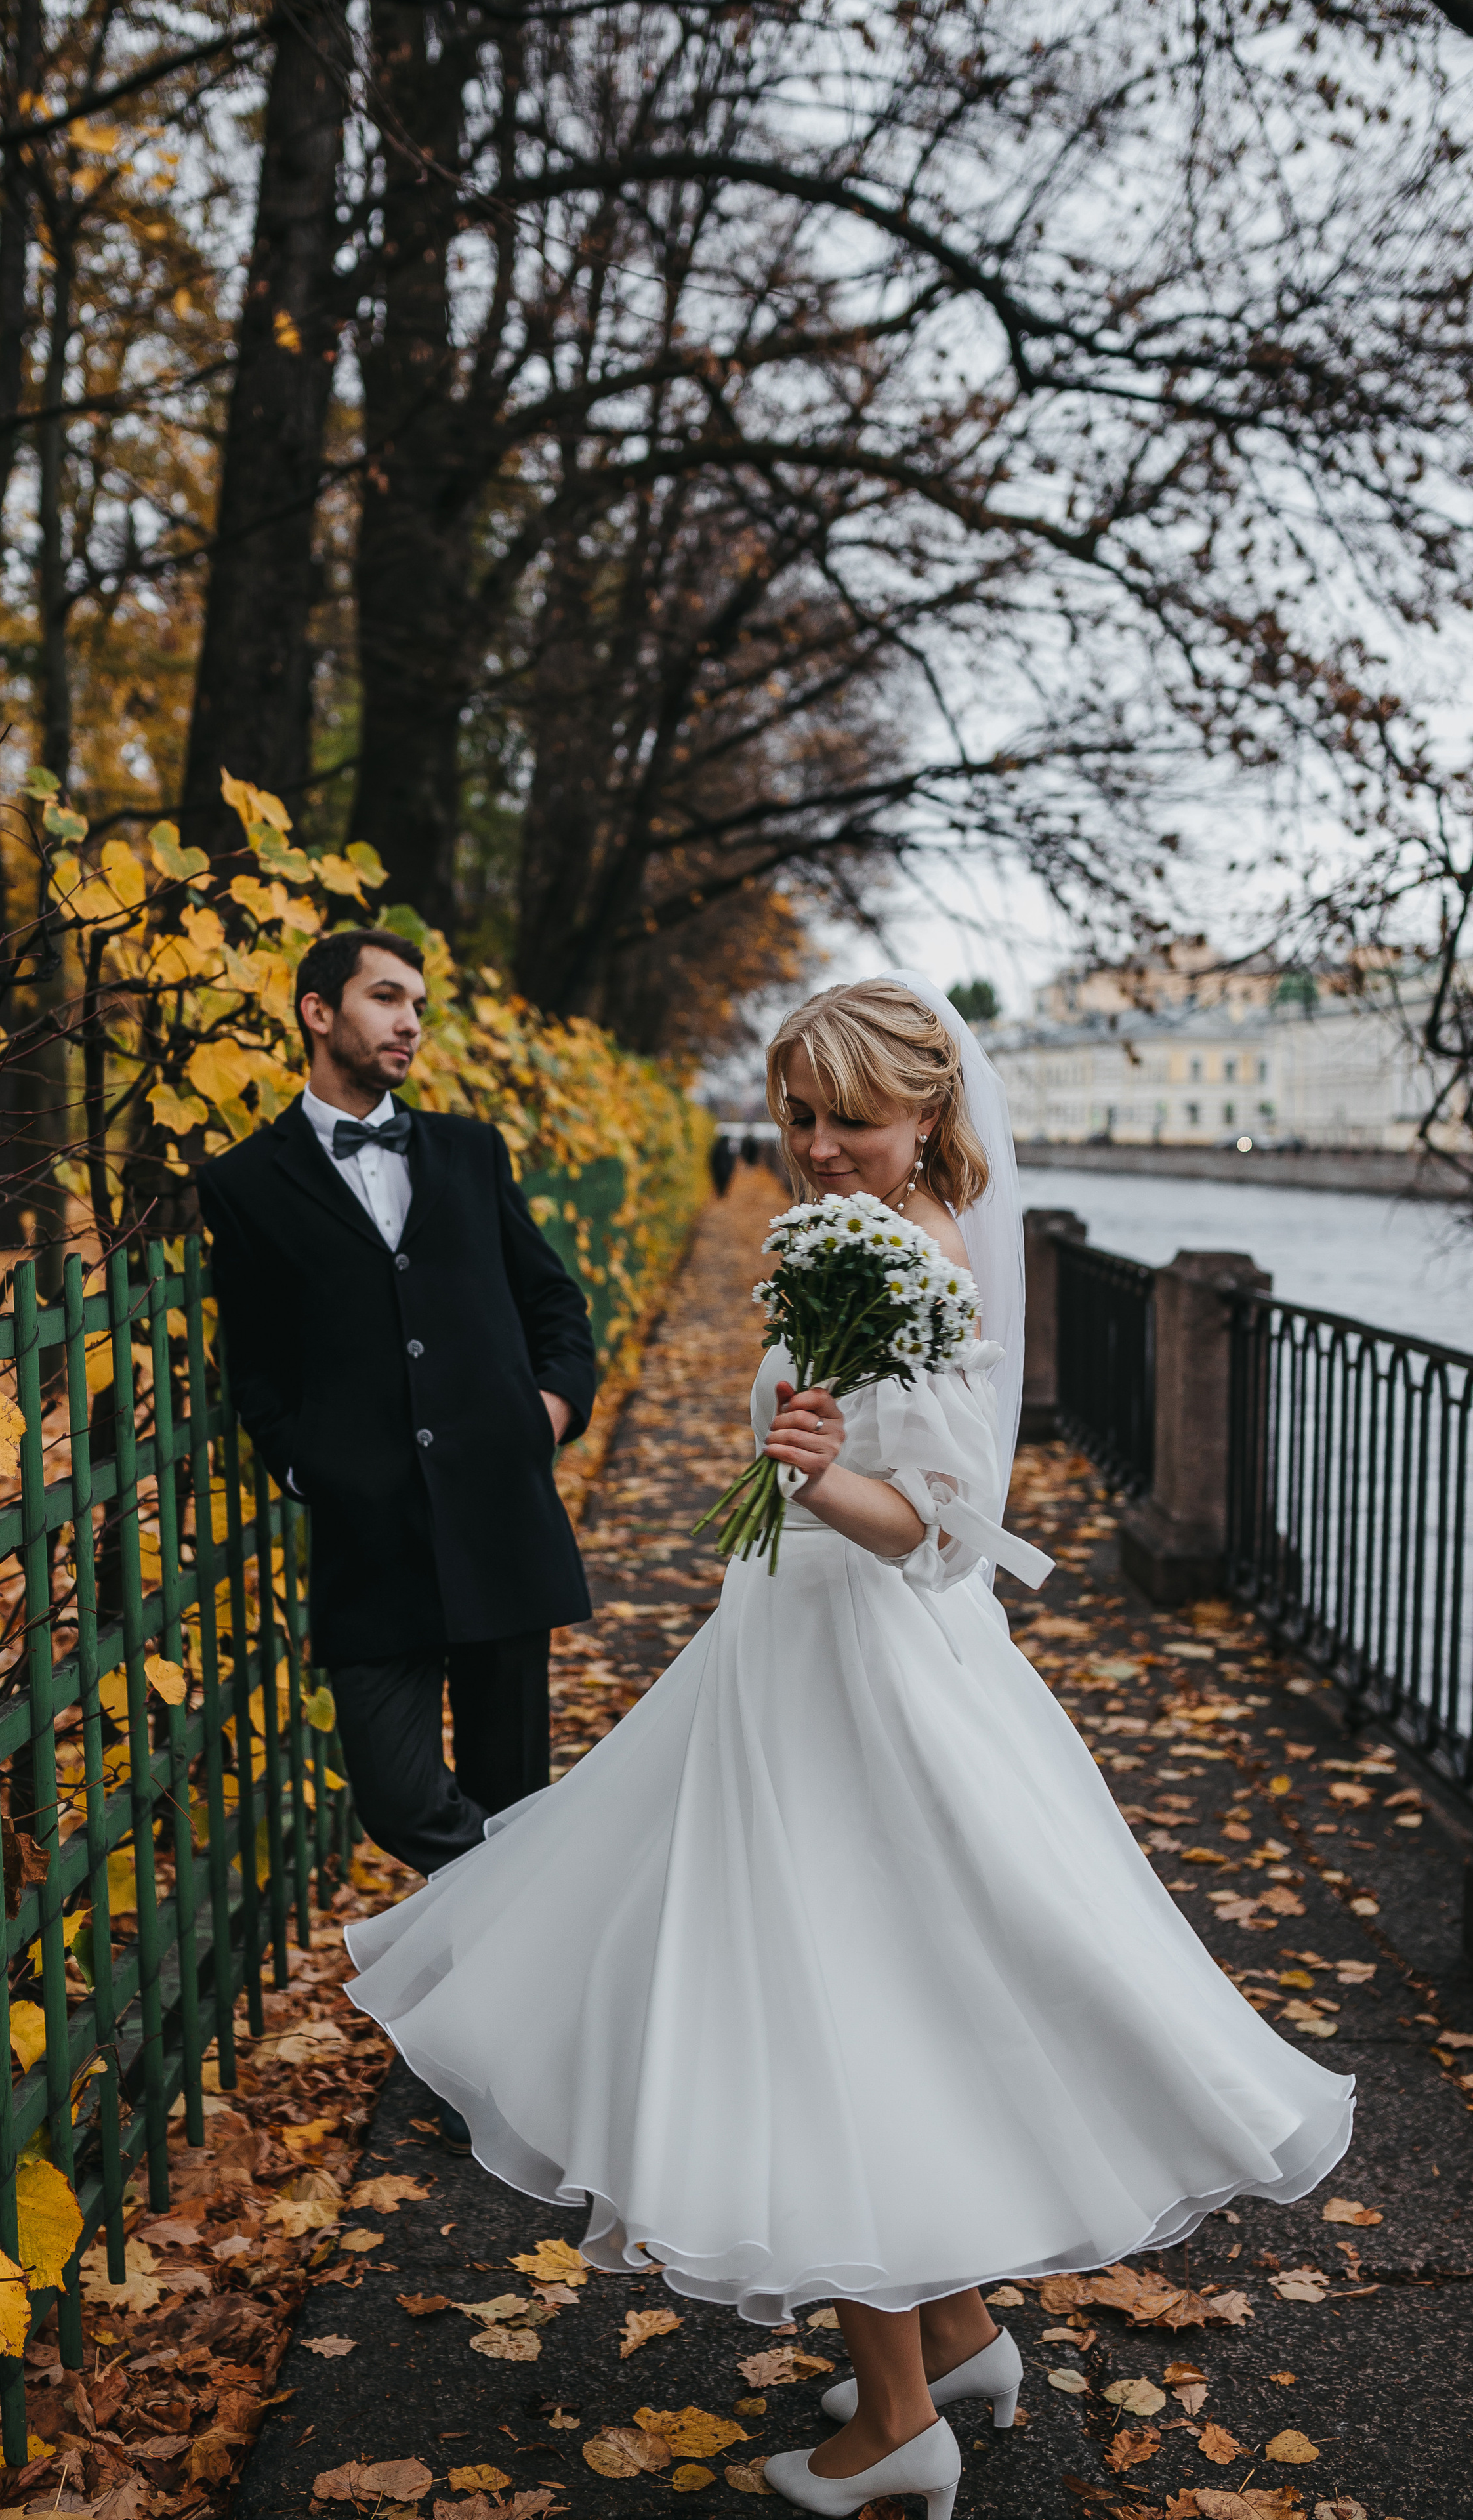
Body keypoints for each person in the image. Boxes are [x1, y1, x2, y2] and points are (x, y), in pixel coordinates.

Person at [338, 973, 1353, 2517]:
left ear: (928, 1113)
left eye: (849, 1121)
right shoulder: (860, 1242)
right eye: (799, 1115)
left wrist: (811, 1483)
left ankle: (894, 2427)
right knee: (843, 1989)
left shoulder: (921, 1257)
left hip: (855, 1674)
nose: (814, 1147)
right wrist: (796, 1471)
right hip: (788, 1653)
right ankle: (950, 2343)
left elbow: (942, 1531)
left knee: (816, 2010)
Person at [197, 927, 598, 2151]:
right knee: (399, 1794)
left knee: (509, 1787)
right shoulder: (246, 1182)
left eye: (419, 1001)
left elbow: (552, 1300)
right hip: (368, 1536)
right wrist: (305, 1462)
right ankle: (564, 1916)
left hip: (497, 1518)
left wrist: (549, 1411)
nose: (410, 1021)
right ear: (319, 1014)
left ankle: (507, 2067)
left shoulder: (471, 1153)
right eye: (386, 998)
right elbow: (255, 1365)